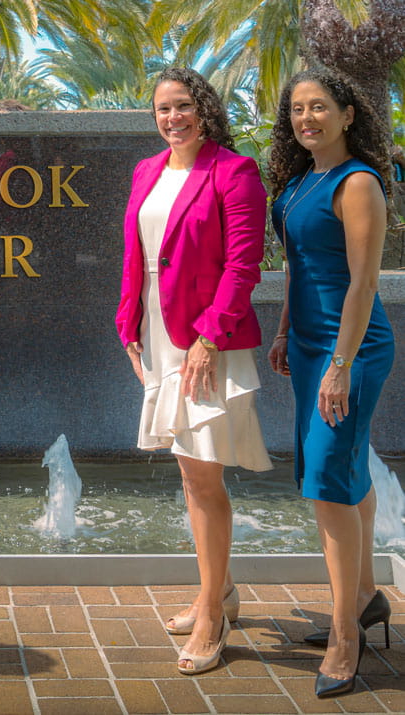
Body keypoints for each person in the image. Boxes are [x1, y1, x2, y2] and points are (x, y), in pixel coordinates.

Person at [116, 67, 273, 675]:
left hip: (209, 334)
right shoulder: (146, 171)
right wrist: (127, 325)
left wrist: (209, 336)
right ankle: (221, 590)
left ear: (204, 109)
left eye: (182, 106)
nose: (171, 118)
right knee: (189, 472)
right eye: (161, 109)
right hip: (158, 333)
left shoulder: (234, 171)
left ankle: (212, 614)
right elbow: (137, 253)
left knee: (204, 478)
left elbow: (244, 265)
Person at [267, 66, 394, 698]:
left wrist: (340, 366)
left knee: (326, 482)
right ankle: (367, 596)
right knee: (343, 472)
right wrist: (287, 331)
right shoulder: (296, 184)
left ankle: (347, 637)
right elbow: (296, 267)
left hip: (354, 347)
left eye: (319, 108)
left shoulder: (359, 182)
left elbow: (363, 284)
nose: (306, 119)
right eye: (297, 111)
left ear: (347, 114)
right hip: (312, 344)